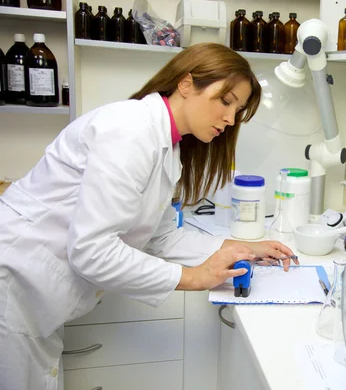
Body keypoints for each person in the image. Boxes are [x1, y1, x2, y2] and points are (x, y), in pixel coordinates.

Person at [0, 43, 298, 390]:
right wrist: (195, 277)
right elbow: (91, 251)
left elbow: (162, 236)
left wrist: (242, 248)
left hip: (37, 296)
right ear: (186, 84)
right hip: (15, 286)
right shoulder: (131, 131)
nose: (231, 119)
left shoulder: (167, 145)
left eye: (239, 109)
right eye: (226, 101)